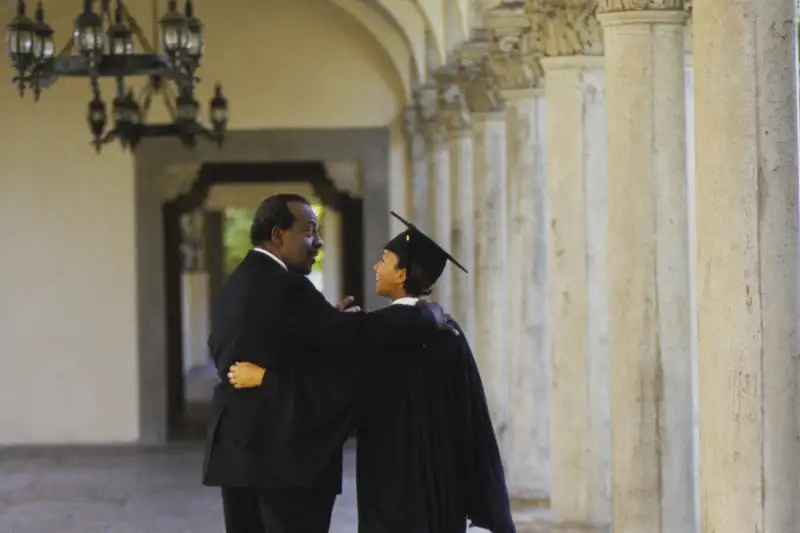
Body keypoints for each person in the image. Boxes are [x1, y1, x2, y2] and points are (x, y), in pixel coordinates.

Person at [229, 211, 516, 533]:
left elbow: (338, 389)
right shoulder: (446, 329)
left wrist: (266, 378)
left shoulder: (383, 332)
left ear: (403, 272)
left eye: (385, 260)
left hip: (394, 469)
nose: (376, 267)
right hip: (442, 470)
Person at [203, 194, 453, 533]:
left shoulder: (241, 280)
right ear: (278, 235)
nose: (318, 241)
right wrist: (421, 315)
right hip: (282, 459)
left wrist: (326, 326)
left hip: (238, 452)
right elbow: (359, 336)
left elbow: (264, 344)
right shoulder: (287, 287)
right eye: (309, 231)